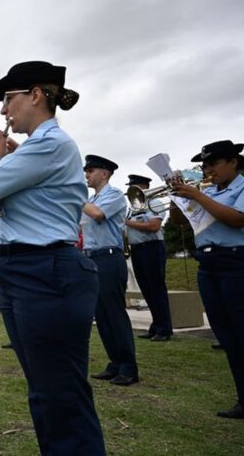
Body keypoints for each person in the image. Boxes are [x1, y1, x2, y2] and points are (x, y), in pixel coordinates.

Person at [0, 61, 105, 455]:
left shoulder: (50, 144)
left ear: (36, 95)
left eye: (9, 99)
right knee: (46, 391)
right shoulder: (38, 147)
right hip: (30, 270)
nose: (3, 110)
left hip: (44, 271)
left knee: (61, 393)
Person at [172, 140, 244, 419]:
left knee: (241, 330)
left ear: (233, 162)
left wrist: (198, 195)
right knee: (227, 335)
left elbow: (237, 220)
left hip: (236, 261)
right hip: (208, 263)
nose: (207, 170)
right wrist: (178, 198)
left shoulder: (239, 187)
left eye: (213, 164)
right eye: (204, 166)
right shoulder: (208, 191)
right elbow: (180, 221)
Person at [82, 155, 139, 386]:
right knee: (102, 315)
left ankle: (128, 366)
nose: (86, 175)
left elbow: (97, 215)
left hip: (108, 256)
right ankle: (115, 362)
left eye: (91, 171)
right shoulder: (91, 198)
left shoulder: (114, 195)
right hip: (92, 258)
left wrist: (74, 196)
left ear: (104, 173)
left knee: (114, 313)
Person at [125, 174, 173, 341]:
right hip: (138, 249)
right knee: (147, 290)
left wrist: (128, 223)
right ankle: (156, 325)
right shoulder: (132, 207)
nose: (131, 191)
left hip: (152, 248)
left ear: (144, 187)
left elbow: (154, 226)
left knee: (156, 289)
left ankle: (164, 329)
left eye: (135, 187)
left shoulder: (154, 203)